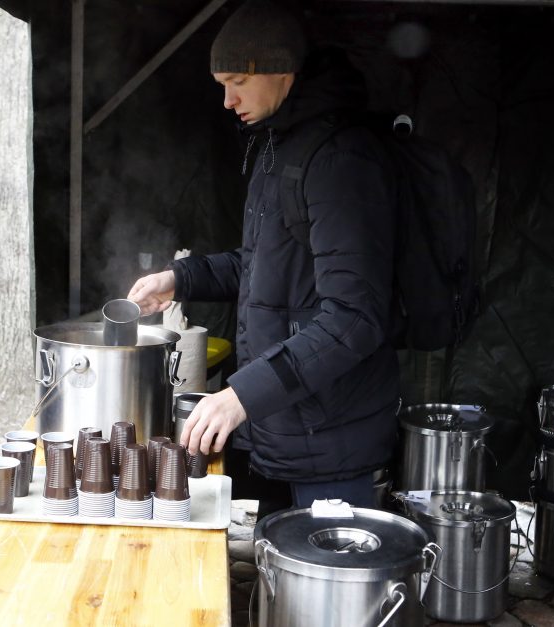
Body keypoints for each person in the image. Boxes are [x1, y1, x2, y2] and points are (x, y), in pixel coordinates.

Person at [128, 0, 400, 513]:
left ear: (283, 71)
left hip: (331, 440)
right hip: (284, 426)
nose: (228, 101)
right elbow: (266, 268)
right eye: (221, 85)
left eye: (238, 81)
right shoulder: (281, 144)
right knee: (274, 586)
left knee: (320, 589)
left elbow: (356, 318)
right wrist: (180, 279)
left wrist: (242, 395)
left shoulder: (342, 160)